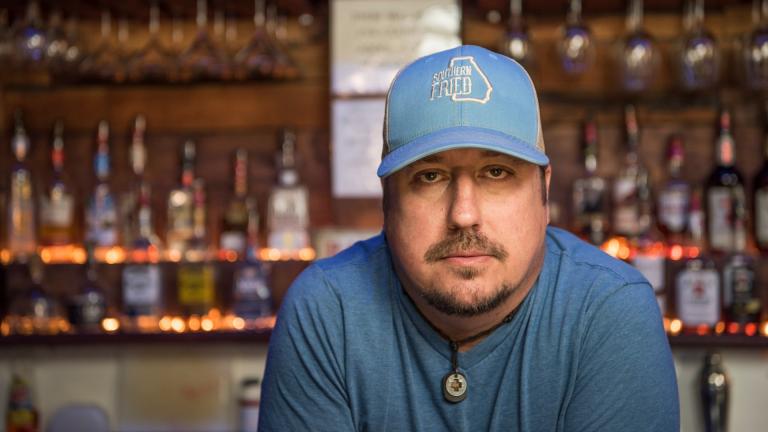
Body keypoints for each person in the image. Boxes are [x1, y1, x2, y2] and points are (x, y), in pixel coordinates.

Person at [259, 45, 679, 431]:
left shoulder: (608, 311)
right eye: (429, 176)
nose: (463, 214)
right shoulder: (327, 312)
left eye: (496, 172)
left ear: (544, 192)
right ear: (387, 202)